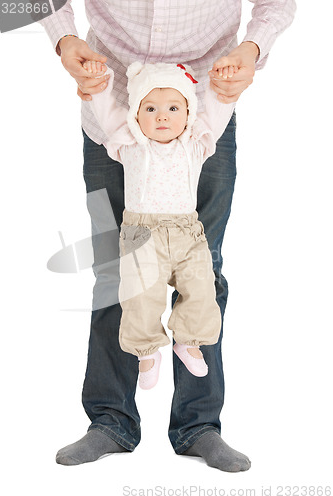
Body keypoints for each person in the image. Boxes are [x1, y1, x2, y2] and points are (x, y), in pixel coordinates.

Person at [39, 0, 296, 471]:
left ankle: (199, 425)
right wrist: (64, 38)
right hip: (108, 117)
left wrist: (253, 47)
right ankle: (109, 421)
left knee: (204, 270)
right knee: (113, 271)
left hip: (202, 116)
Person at [84, 60, 237, 389]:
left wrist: (227, 88)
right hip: (142, 235)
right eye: (150, 108)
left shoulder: (196, 143)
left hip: (188, 234)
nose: (162, 116)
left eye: (172, 108)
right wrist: (96, 85)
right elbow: (107, 109)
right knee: (140, 296)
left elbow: (219, 108)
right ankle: (147, 350)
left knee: (202, 287)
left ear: (188, 113)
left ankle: (189, 340)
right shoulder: (129, 144)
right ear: (137, 115)